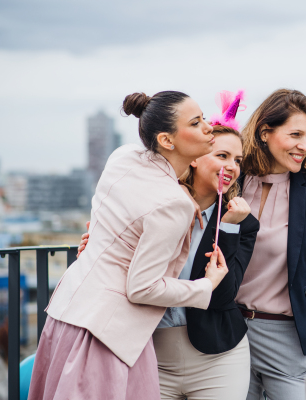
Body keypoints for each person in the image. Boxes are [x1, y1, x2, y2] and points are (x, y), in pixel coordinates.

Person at [29, 91, 229, 400]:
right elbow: (142, 288)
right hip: (107, 336)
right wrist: (206, 285)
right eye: (196, 122)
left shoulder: (122, 158)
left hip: (67, 315)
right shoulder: (173, 204)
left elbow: (110, 223)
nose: (209, 127)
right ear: (167, 139)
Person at [77, 90, 260, 400]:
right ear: (194, 156)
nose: (232, 167)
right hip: (150, 354)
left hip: (219, 358)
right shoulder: (157, 206)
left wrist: (227, 227)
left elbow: (222, 295)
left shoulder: (241, 222)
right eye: (221, 155)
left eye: (237, 160)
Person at [235, 89, 306, 400]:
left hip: (289, 338)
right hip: (230, 334)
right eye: (295, 134)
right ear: (265, 132)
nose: (304, 146)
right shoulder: (231, 181)